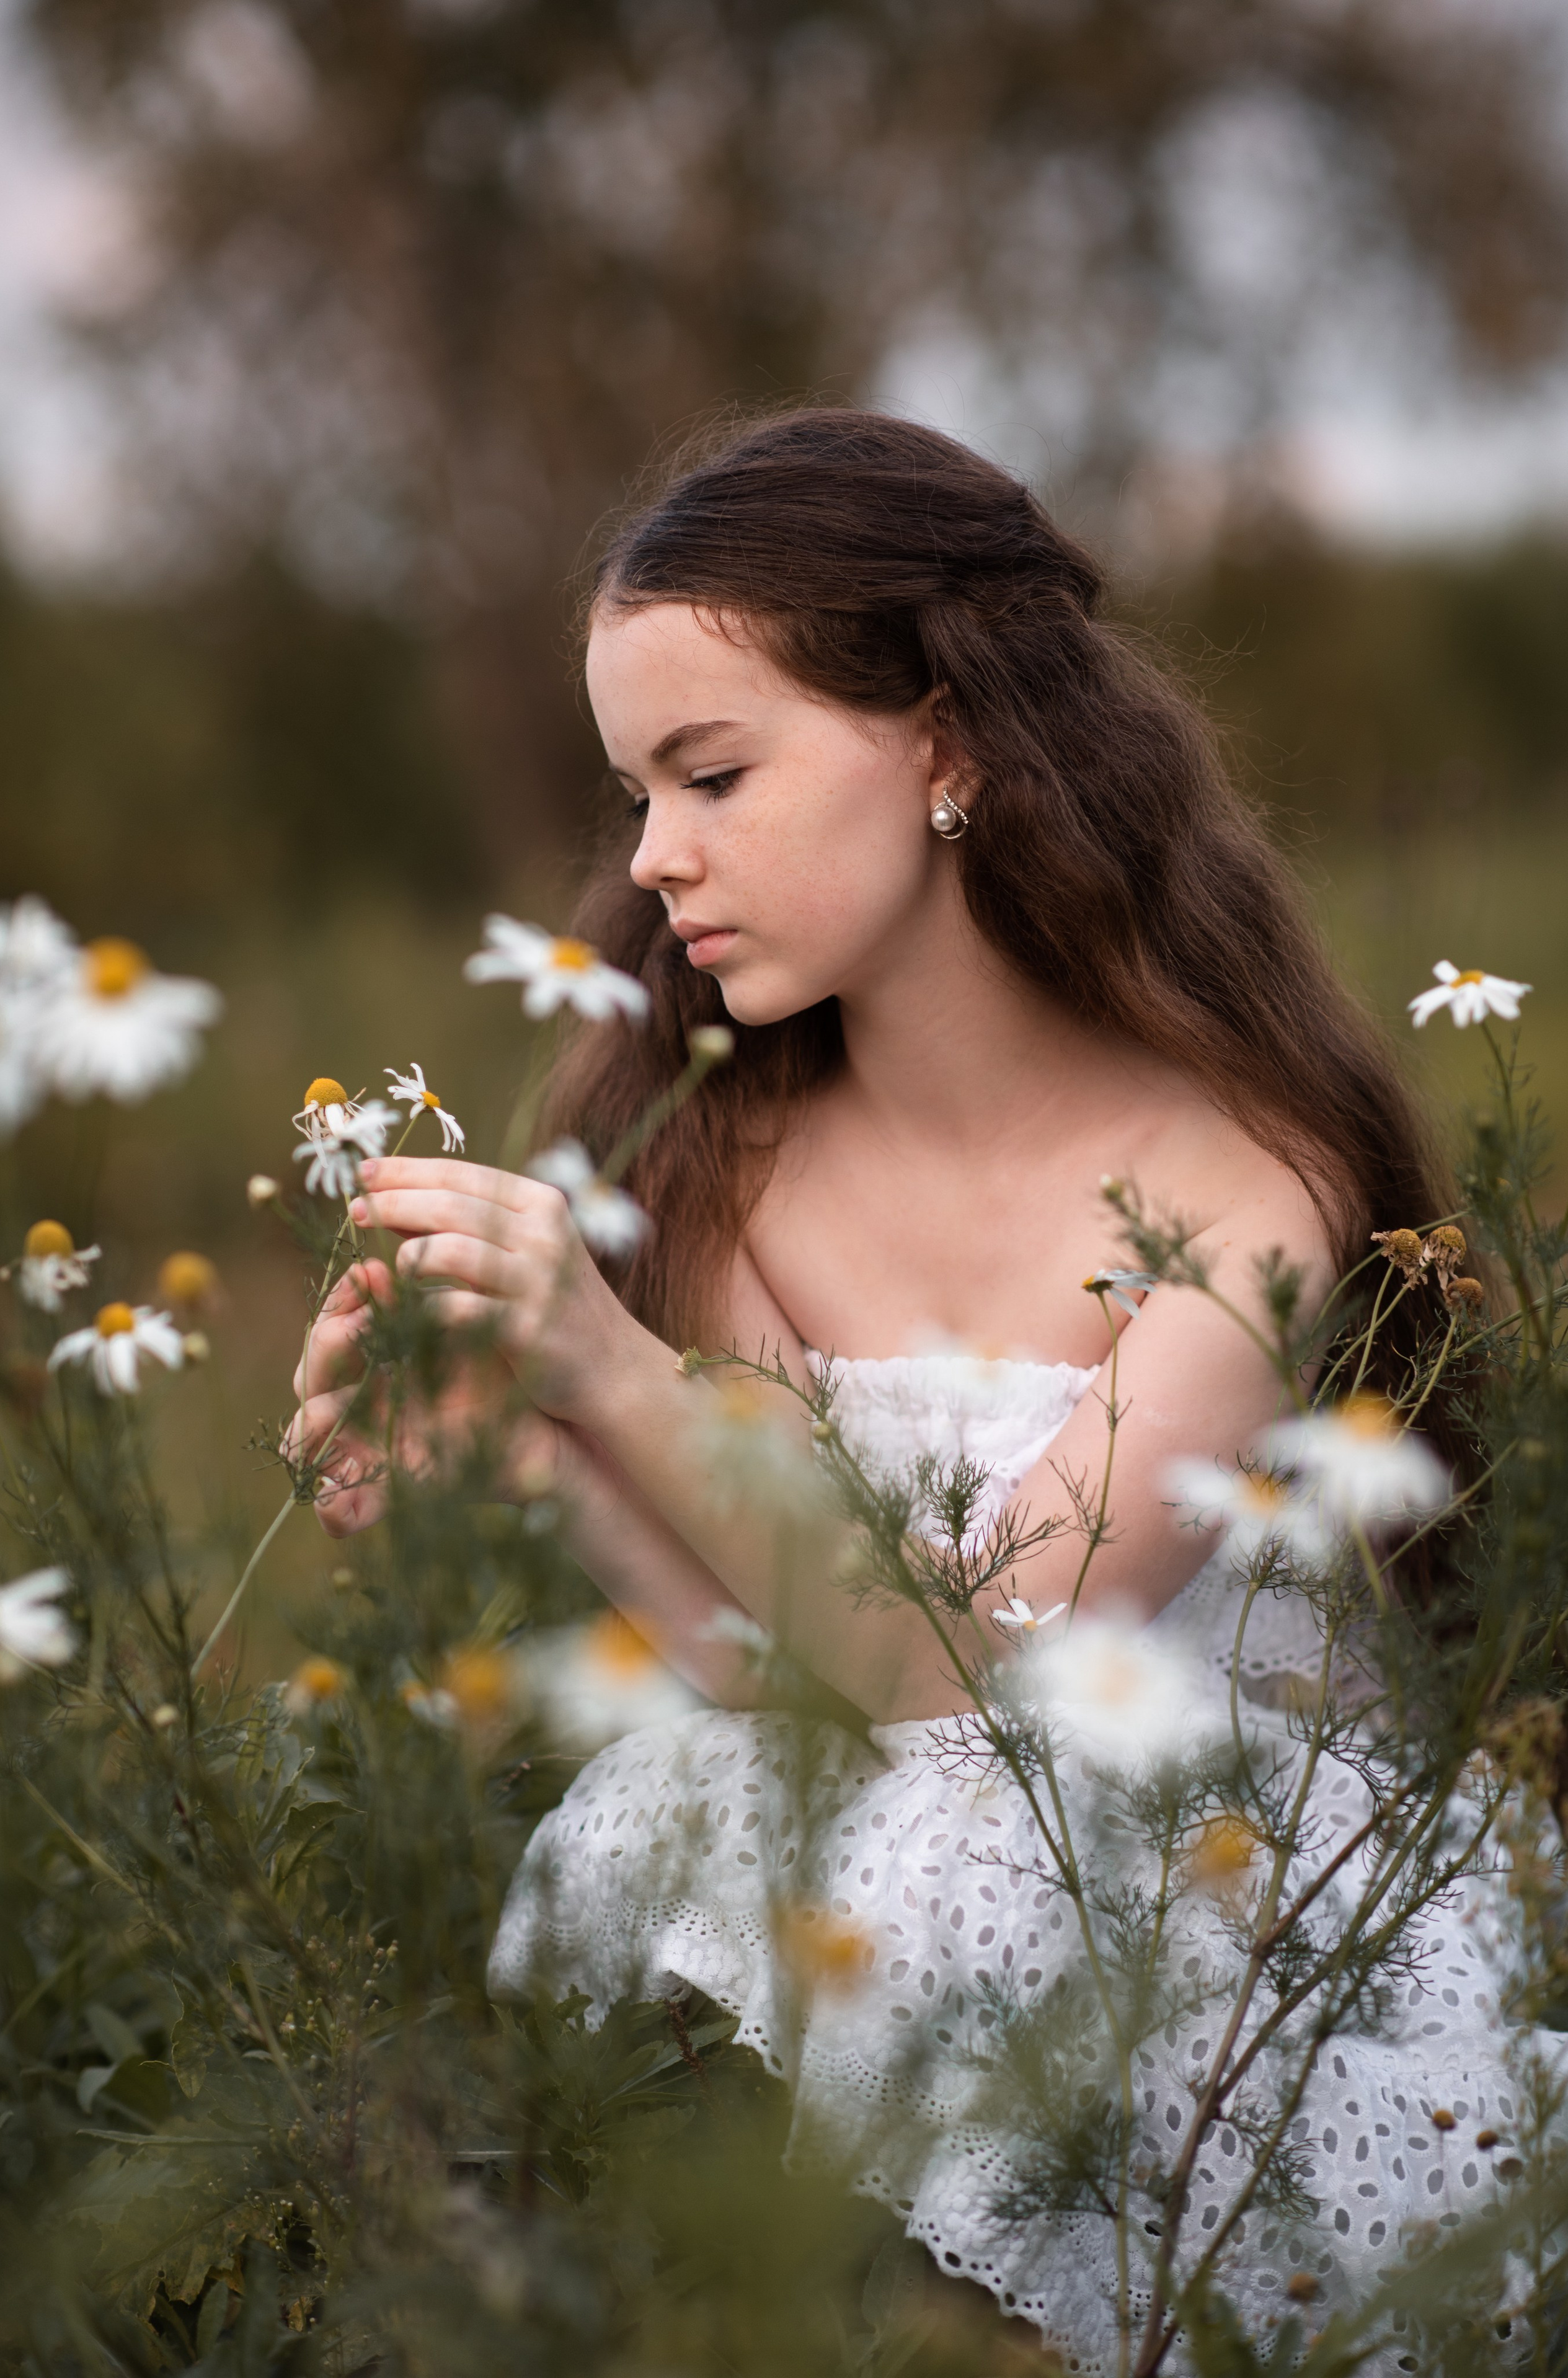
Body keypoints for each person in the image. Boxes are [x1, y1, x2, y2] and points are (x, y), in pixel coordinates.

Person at [289, 412, 1533, 2359]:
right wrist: (525, 1442)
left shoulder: (1243, 1178)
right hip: (894, 1836)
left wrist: (608, 1365)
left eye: (712, 772)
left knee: (966, 1878)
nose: (650, 856)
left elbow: (989, 1670)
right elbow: (780, 1654)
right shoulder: (728, 1168)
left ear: (949, 743)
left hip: (1212, 1896)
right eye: (634, 790)